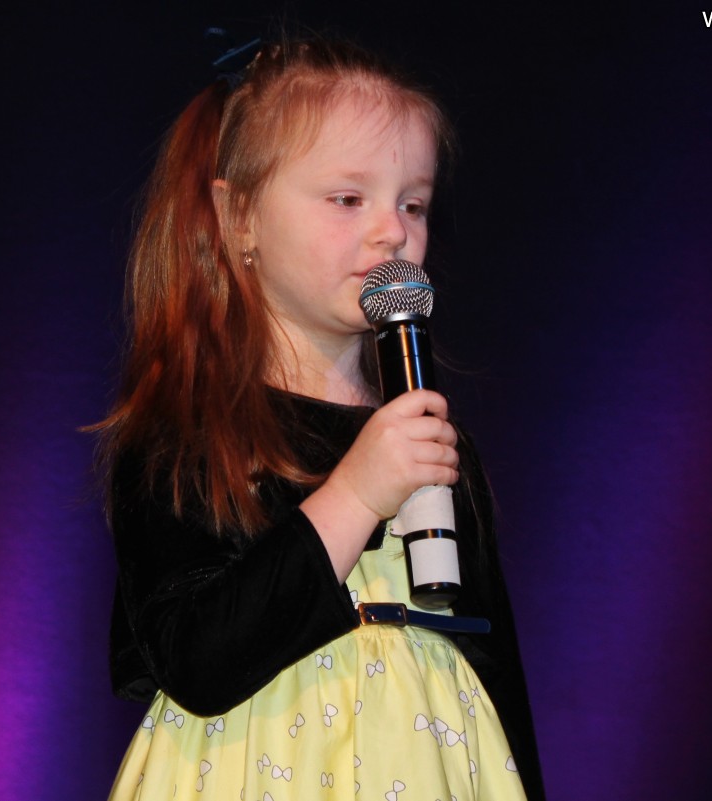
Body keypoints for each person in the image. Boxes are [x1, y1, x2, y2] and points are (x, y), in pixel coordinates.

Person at [96, 35, 545, 801]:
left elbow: (494, 664)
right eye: (348, 199)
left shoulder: (431, 438)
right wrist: (359, 493)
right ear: (239, 217)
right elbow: (199, 658)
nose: (392, 231)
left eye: (413, 204)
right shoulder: (190, 434)